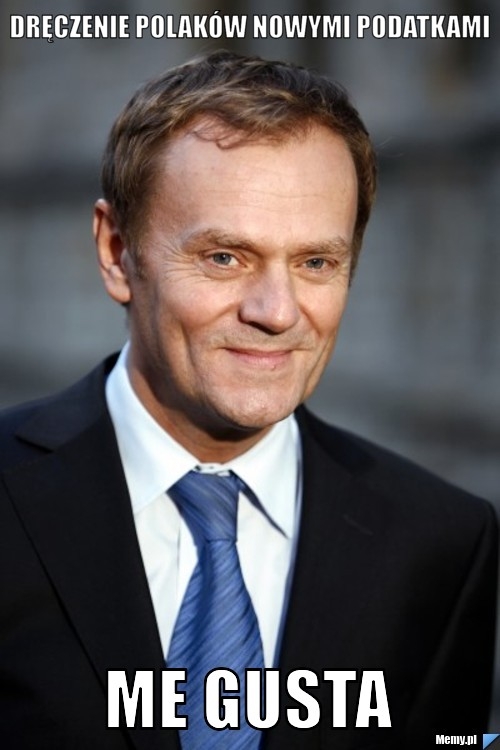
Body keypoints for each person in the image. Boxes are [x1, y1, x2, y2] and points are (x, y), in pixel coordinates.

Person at [0, 50, 497, 750]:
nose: (277, 312)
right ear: (117, 252)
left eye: (315, 263)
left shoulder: (442, 543)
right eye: (224, 257)